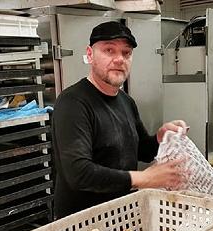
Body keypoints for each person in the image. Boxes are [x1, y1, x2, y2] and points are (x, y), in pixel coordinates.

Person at [52, 21, 187, 219]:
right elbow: (78, 173)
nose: (119, 59)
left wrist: (160, 137)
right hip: (80, 224)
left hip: (120, 215)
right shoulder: (72, 103)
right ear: (90, 54)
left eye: (126, 53)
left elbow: (142, 150)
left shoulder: (126, 101)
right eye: (109, 50)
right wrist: (145, 178)